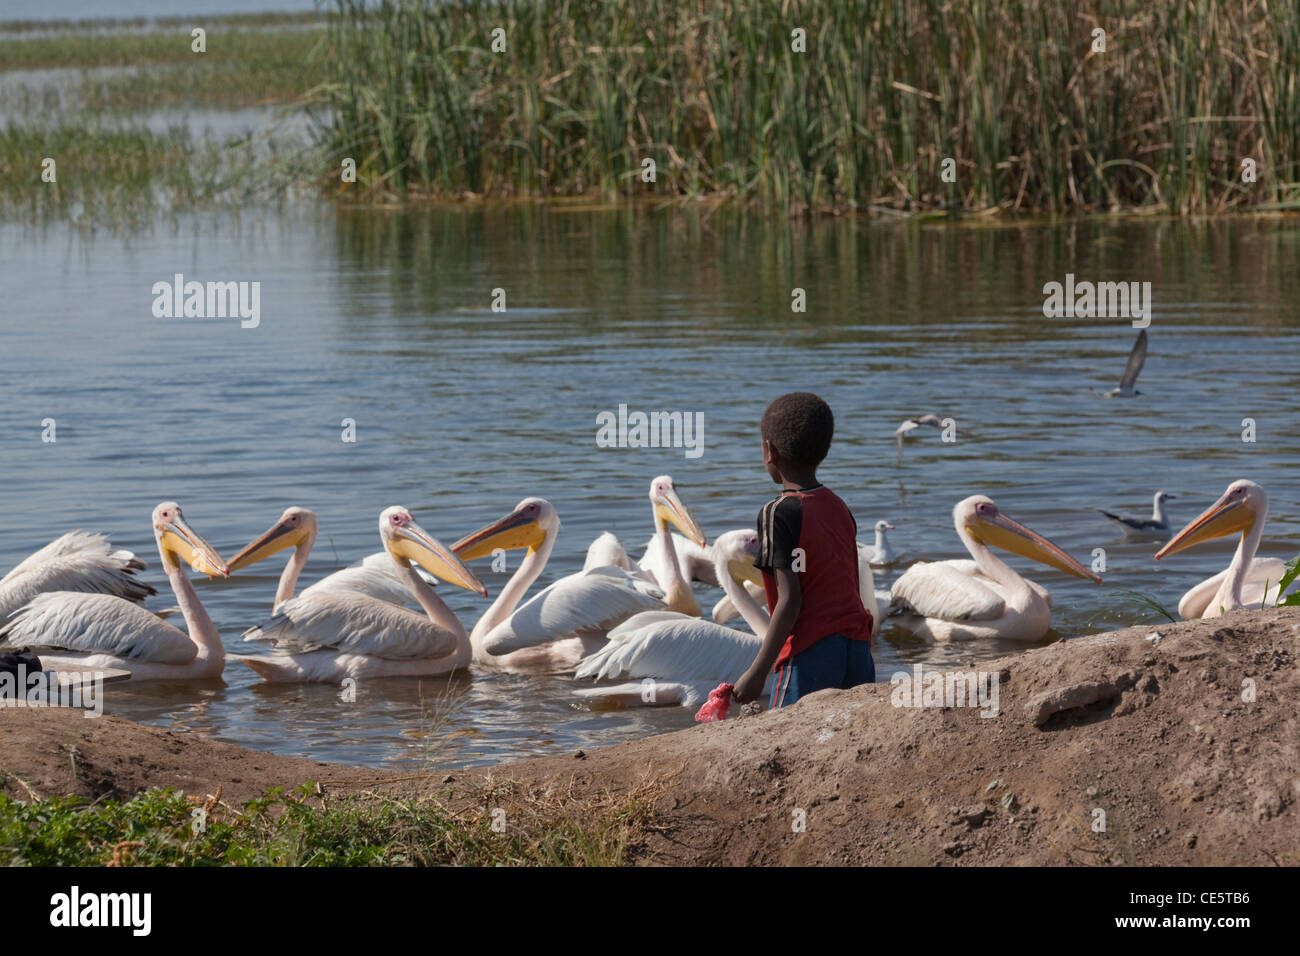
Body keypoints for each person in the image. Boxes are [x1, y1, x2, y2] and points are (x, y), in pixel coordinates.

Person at [732, 392, 874, 708]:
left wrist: (757, 672)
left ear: (769, 451)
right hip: (858, 650)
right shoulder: (838, 506)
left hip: (810, 656)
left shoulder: (777, 512)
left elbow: (790, 601)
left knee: (793, 741)